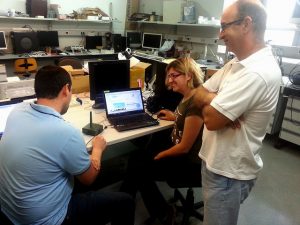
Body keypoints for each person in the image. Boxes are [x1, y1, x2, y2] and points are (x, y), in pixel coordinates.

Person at [0, 65, 134, 225]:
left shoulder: (18, 110)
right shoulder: (66, 132)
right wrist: (97, 150)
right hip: (46, 220)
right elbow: (89, 178)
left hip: (9, 212)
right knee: (125, 201)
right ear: (66, 89)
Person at [193, 1, 282, 225]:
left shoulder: (256, 72)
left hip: (227, 174)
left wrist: (214, 109)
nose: (220, 34)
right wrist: (215, 101)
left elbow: (211, 120)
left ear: (246, 24)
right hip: (216, 163)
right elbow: (198, 93)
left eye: (225, 26)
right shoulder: (237, 64)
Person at [120, 57, 204, 225]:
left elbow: (184, 147)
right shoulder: (188, 96)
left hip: (189, 163)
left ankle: (157, 212)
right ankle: (126, 204)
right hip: (180, 152)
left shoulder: (195, 103)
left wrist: (159, 155)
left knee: (139, 167)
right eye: (168, 76)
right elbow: (188, 121)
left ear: (189, 75)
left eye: (174, 76)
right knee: (137, 161)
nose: (169, 81)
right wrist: (175, 117)